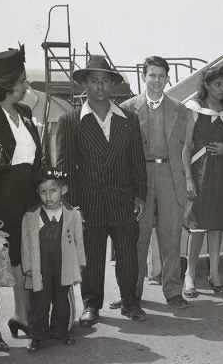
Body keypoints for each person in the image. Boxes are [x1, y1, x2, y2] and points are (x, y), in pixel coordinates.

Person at [57, 55, 147, 325]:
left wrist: (140, 195)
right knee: (92, 258)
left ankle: (131, 303)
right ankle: (91, 305)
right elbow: (65, 166)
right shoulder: (71, 120)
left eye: (105, 81)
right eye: (94, 81)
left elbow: (137, 161)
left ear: (112, 85)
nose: (100, 86)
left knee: (128, 256)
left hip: (122, 199)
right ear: (85, 84)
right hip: (88, 201)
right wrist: (72, 205)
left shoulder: (128, 119)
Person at [0, 45, 42, 351]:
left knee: (22, 262)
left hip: (26, 198)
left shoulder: (26, 113)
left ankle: (21, 316)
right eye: (21, 81)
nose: (26, 86)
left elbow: (36, 160)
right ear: (5, 83)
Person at [118, 56, 189, 309]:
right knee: (137, 239)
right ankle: (132, 293)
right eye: (152, 75)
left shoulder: (180, 109)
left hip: (170, 177)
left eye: (162, 75)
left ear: (168, 78)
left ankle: (173, 291)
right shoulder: (127, 108)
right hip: (140, 179)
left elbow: (184, 150)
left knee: (171, 238)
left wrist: (187, 181)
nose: (157, 80)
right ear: (144, 77)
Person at [182, 66, 223, 296]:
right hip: (201, 173)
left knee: (217, 225)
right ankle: (189, 274)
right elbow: (186, 147)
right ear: (206, 85)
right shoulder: (194, 109)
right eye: (217, 84)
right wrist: (188, 178)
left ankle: (214, 273)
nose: (222, 88)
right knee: (198, 227)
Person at [21, 167, 86, 352]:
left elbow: (78, 240)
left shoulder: (72, 213)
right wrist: (28, 266)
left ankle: (61, 332)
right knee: (39, 300)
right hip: (39, 264)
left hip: (63, 263)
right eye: (43, 192)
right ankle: (36, 336)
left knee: (61, 298)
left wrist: (79, 263)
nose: (48, 196)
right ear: (38, 193)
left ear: (63, 190)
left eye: (53, 191)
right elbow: (25, 243)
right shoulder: (30, 215)